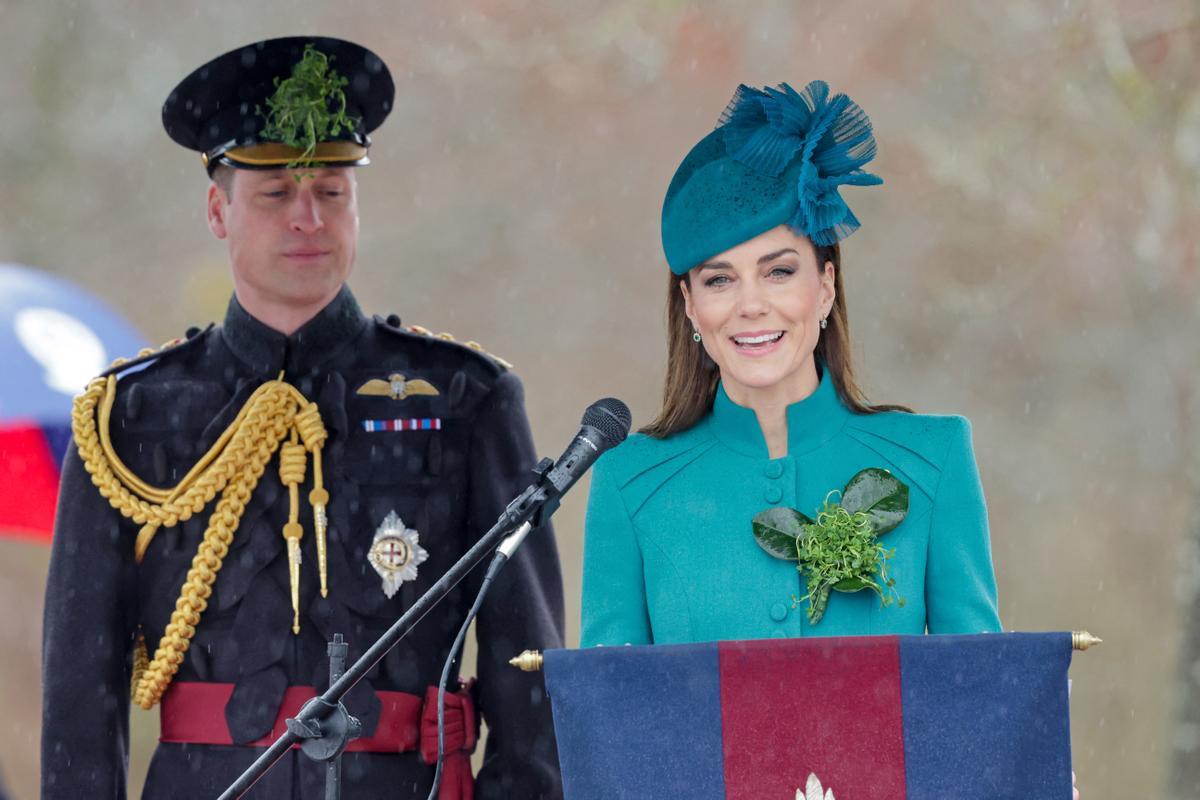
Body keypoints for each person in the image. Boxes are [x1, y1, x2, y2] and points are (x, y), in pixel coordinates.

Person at [41, 37, 564, 800]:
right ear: (219, 210)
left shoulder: (465, 399)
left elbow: (530, 669)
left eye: (331, 191)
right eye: (276, 194)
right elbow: (80, 701)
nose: (308, 219)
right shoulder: (132, 419)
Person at [580, 80, 1081, 800]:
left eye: (779, 270)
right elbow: (613, 741)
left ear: (825, 286)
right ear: (689, 305)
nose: (751, 304)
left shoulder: (935, 461)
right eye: (719, 280)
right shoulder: (629, 483)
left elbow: (980, 714)